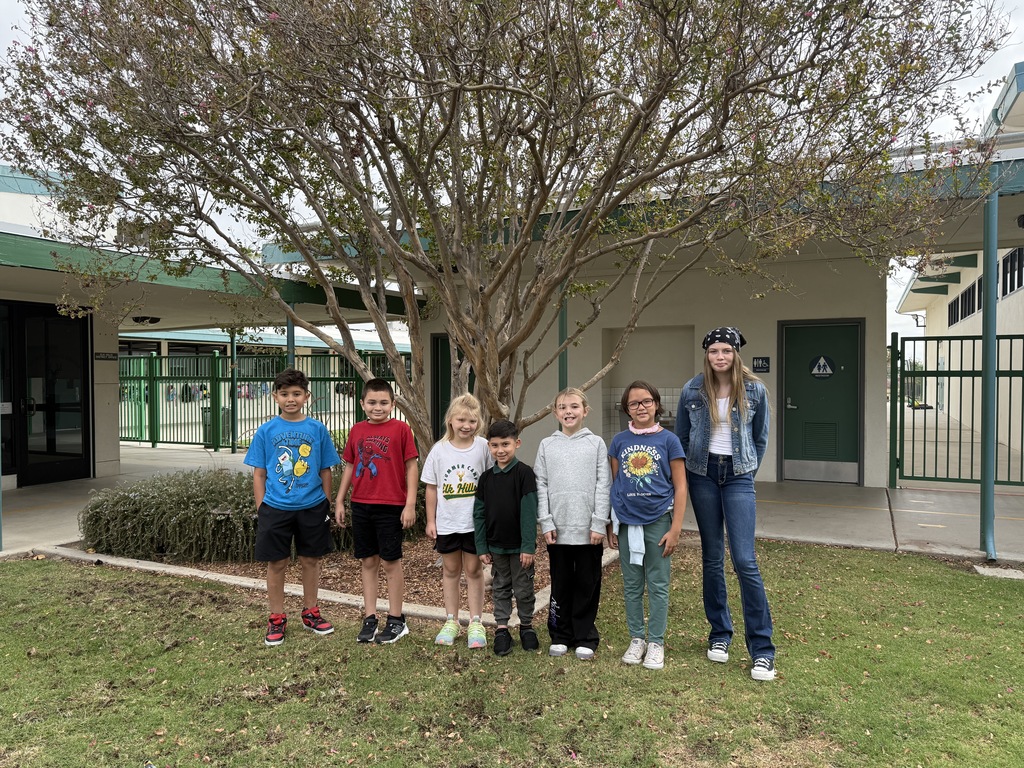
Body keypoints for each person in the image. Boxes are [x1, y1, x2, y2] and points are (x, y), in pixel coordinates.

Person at [675, 326, 777, 681]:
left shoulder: (754, 389)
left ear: (736, 354)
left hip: (737, 477)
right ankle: (720, 635)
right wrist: (691, 474)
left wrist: (746, 470)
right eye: (714, 351)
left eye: (726, 351)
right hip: (703, 476)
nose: (720, 356)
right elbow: (683, 437)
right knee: (712, 557)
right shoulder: (692, 389)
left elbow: (760, 438)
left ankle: (762, 649)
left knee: (745, 559)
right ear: (706, 354)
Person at [244, 367, 341, 647]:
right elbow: (259, 473)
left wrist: (325, 501)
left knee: (311, 560)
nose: (290, 399)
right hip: (276, 507)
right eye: (284, 394)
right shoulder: (266, 431)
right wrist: (262, 507)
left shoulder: (317, 429)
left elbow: (325, 470)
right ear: (275, 396)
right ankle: (276, 618)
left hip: (312, 506)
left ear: (306, 396)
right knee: (278, 563)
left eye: (296, 394)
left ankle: (311, 612)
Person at [608, 380, 687, 671]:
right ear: (626, 409)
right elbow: (616, 484)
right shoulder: (618, 442)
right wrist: (612, 524)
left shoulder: (669, 440)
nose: (640, 407)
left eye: (646, 401)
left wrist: (676, 527)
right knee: (631, 584)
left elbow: (680, 486)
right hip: (628, 523)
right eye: (633, 403)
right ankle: (637, 638)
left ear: (656, 404)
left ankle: (656, 642)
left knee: (657, 584)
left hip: (658, 522)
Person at [335, 379, 419, 644]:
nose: (378, 407)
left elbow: (412, 467)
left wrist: (410, 504)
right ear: (362, 404)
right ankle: (370, 617)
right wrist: (340, 500)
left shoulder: (402, 429)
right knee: (368, 561)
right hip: (361, 504)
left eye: (384, 402)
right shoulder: (356, 430)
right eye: (372, 402)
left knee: (390, 562)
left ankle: (396, 620)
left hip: (392, 505)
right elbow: (349, 466)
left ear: (393, 404)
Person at [535, 387, 611, 660]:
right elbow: (541, 485)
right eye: (563, 407)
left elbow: (604, 484)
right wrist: (545, 521)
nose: (569, 411)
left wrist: (599, 522)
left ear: (585, 411)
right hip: (558, 529)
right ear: (555, 412)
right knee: (561, 582)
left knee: (587, 583)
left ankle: (585, 635)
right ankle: (560, 634)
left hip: (588, 529)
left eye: (574, 406)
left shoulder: (596, 444)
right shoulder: (547, 445)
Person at [421, 394, 493, 648]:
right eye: (461, 419)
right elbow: (431, 488)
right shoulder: (439, 450)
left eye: (472, 421)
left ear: (479, 423)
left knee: (474, 572)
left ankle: (476, 622)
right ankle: (451, 620)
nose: (467, 425)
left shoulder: (483, 447)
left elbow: (491, 482)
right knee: (450, 571)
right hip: (448, 522)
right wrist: (431, 521)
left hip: (475, 523)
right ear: (450, 420)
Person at [473, 419, 539, 656]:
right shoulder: (486, 479)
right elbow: (479, 514)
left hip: (520, 548)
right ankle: (502, 628)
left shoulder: (525, 474)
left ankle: (527, 627)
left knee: (523, 588)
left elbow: (530, 514)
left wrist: (528, 546)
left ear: (517, 443)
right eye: (494, 445)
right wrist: (482, 546)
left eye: (506, 444)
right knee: (500, 587)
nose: (500, 450)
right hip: (496, 546)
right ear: (489, 446)